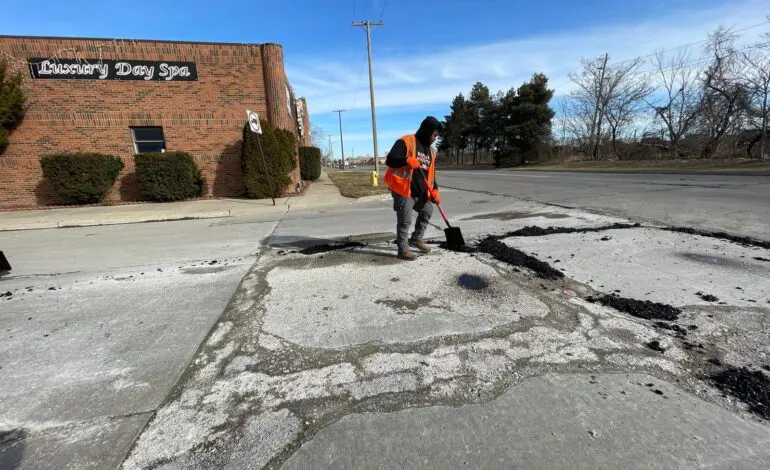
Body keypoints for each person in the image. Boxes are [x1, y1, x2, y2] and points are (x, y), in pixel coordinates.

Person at [384, 116, 443, 261]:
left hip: (421, 191)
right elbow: (390, 160)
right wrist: (406, 160)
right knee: (405, 220)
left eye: (437, 136)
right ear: (426, 131)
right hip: (404, 189)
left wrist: (434, 189)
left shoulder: (432, 151)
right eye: (434, 135)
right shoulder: (406, 141)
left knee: (427, 210)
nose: (435, 138)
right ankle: (403, 249)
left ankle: (416, 239)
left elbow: (431, 173)